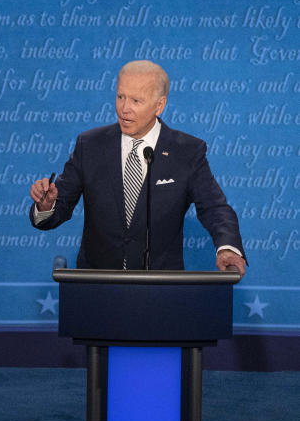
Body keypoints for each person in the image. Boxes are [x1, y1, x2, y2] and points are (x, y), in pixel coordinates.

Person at [27, 60, 247, 275]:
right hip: (97, 287)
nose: (124, 109)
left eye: (136, 100)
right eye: (120, 96)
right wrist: (46, 206)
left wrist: (227, 247)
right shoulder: (90, 145)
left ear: (159, 105)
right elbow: (58, 209)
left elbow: (214, 208)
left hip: (160, 291)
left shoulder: (186, 152)